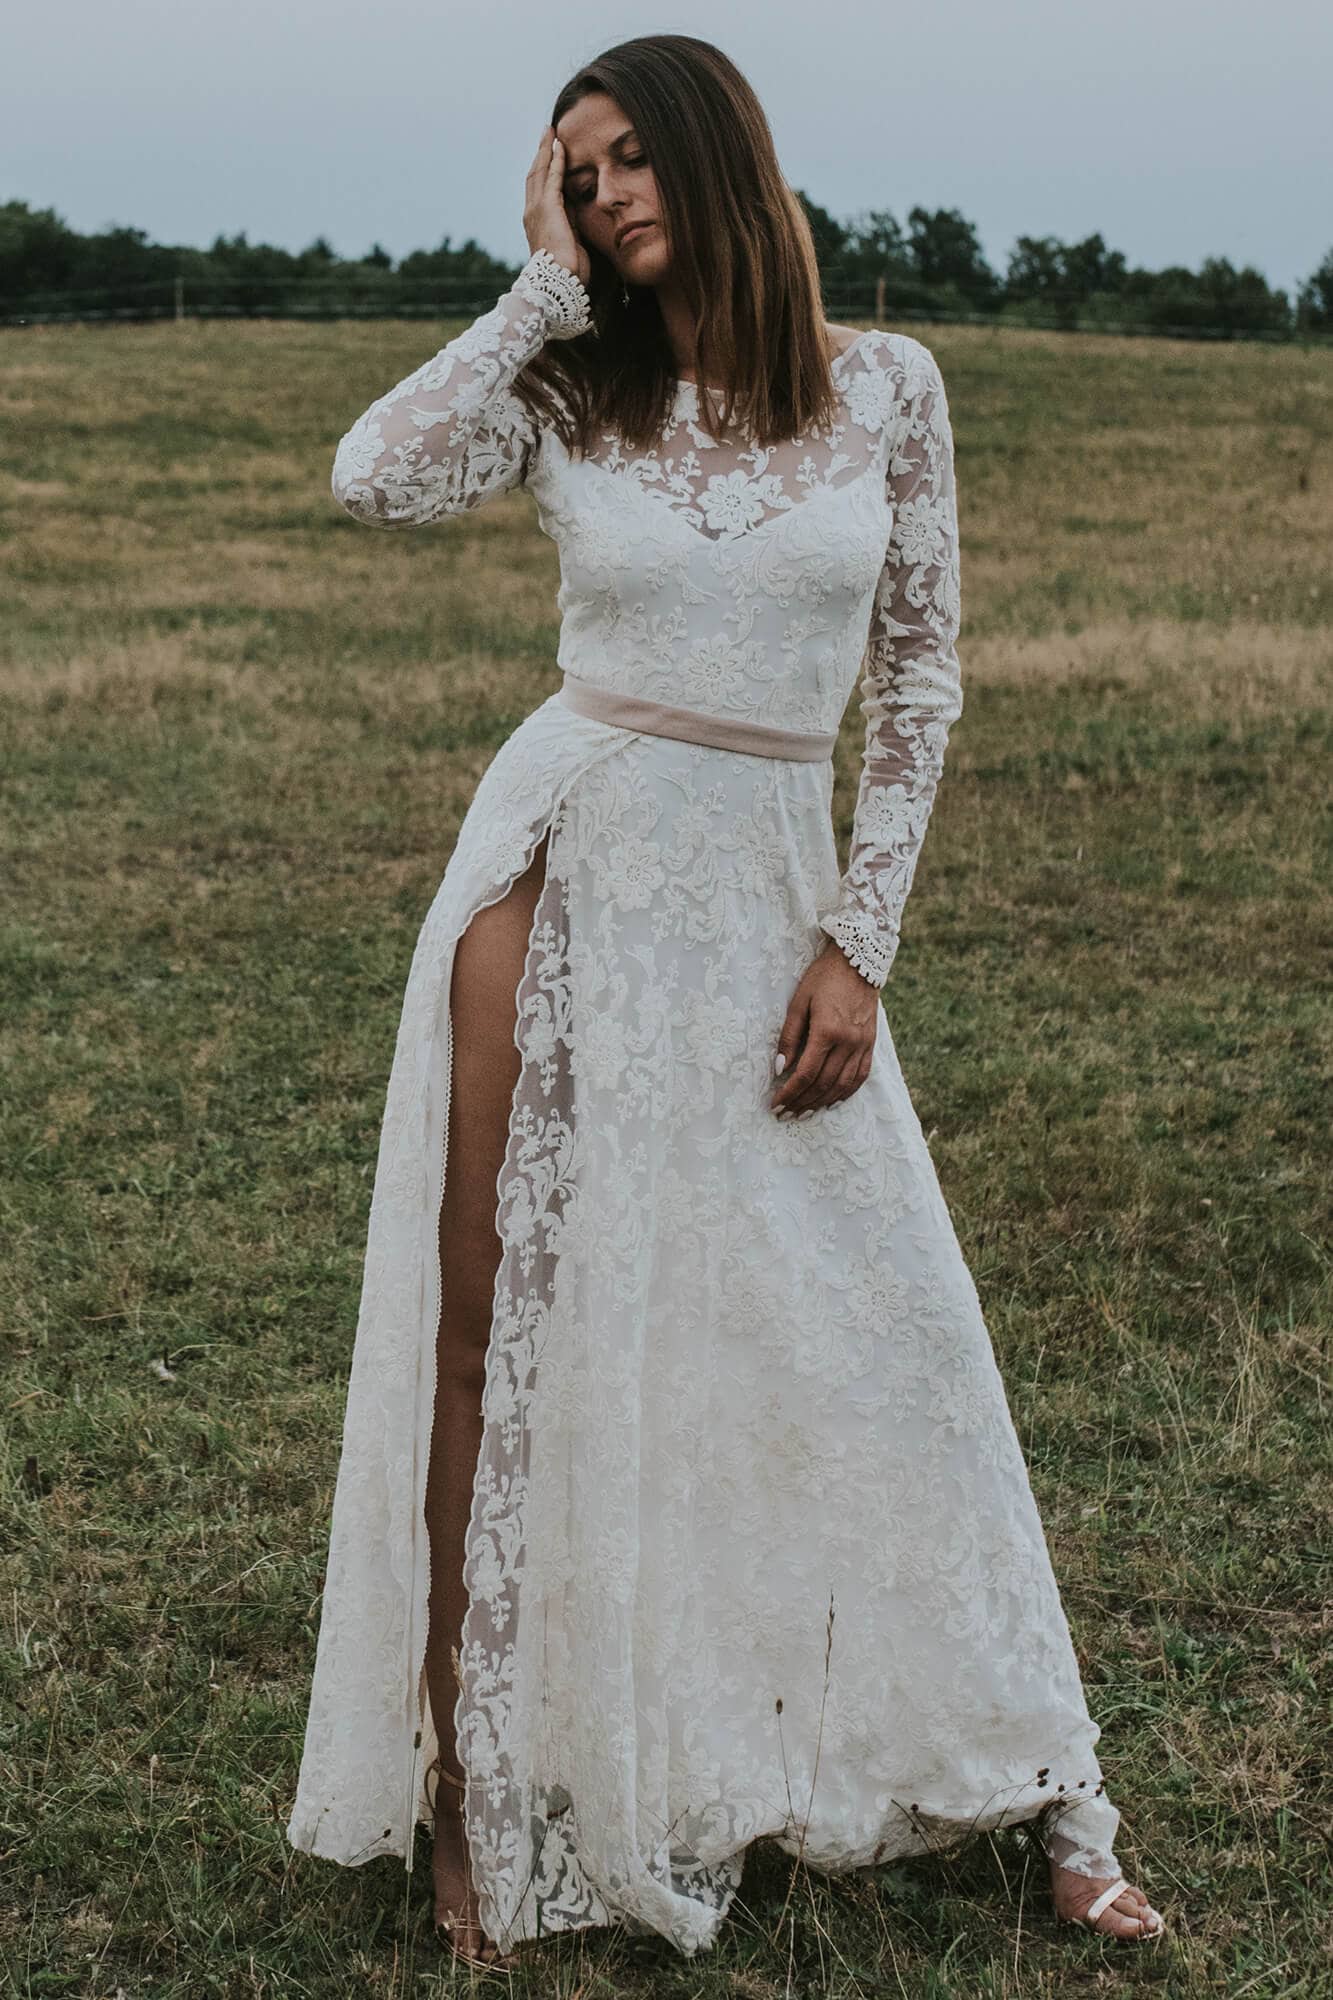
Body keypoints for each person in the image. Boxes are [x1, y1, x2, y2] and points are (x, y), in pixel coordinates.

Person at [284, 31, 1166, 1969]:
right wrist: (534, 290)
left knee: (879, 1326)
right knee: (494, 1335)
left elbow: (916, 677)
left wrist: (861, 941)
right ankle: (477, 1805)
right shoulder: (569, 388)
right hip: (559, 877)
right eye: (570, 167)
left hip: (772, 901)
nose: (601, 190)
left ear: (711, 150)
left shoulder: (889, 389)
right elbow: (370, 478)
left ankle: (1044, 1781)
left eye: (623, 155)